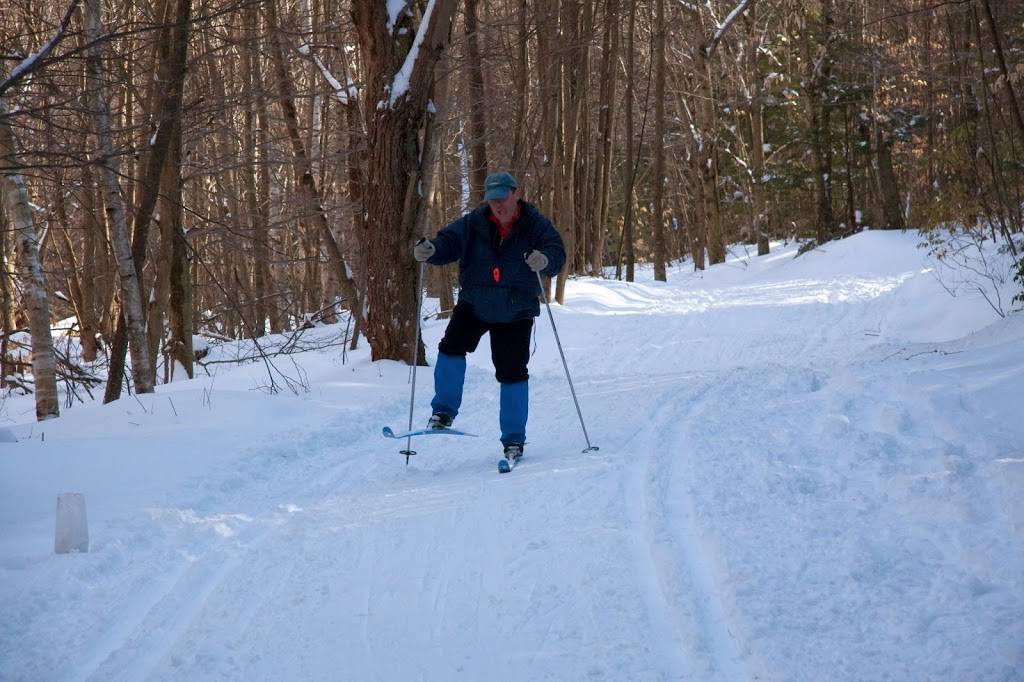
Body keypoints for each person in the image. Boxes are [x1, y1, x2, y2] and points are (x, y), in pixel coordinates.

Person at [413, 171, 566, 464]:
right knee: (451, 347)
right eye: (492, 200)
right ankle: (443, 412)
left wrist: (545, 260)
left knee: (512, 373)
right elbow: (449, 242)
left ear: (515, 193)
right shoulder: (474, 222)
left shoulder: (535, 224)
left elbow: (556, 251)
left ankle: (513, 441)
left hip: (516, 307)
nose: (498, 206)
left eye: (502, 198)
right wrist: (431, 250)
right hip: (476, 301)